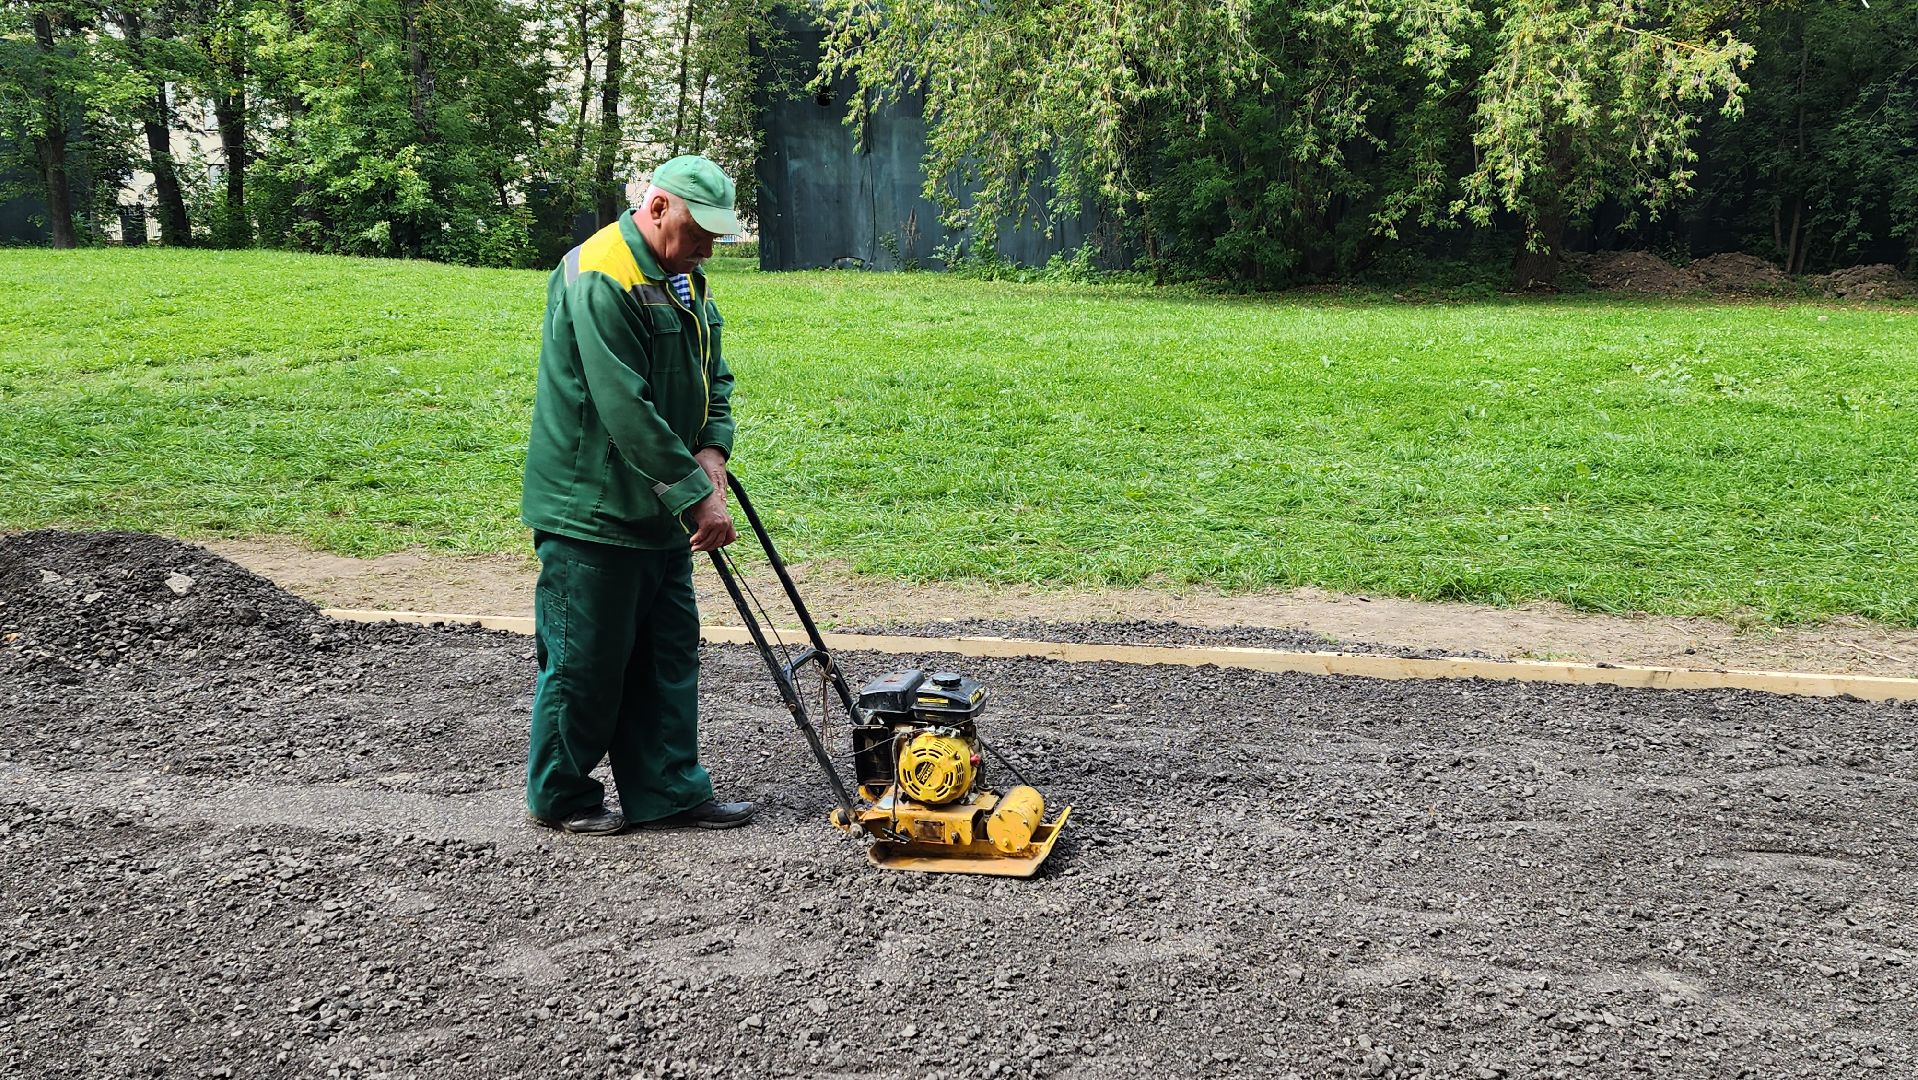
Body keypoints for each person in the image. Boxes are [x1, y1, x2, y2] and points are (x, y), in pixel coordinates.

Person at [519, 154, 755, 835]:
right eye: (698, 230)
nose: (708, 246)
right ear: (656, 209)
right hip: (593, 509)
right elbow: (623, 406)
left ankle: (668, 792)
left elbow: (716, 373)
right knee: (587, 664)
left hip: (656, 509)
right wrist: (697, 496)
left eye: (715, 234)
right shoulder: (601, 274)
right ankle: (560, 796)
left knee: (667, 654)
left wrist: (712, 447)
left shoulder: (682, 278)